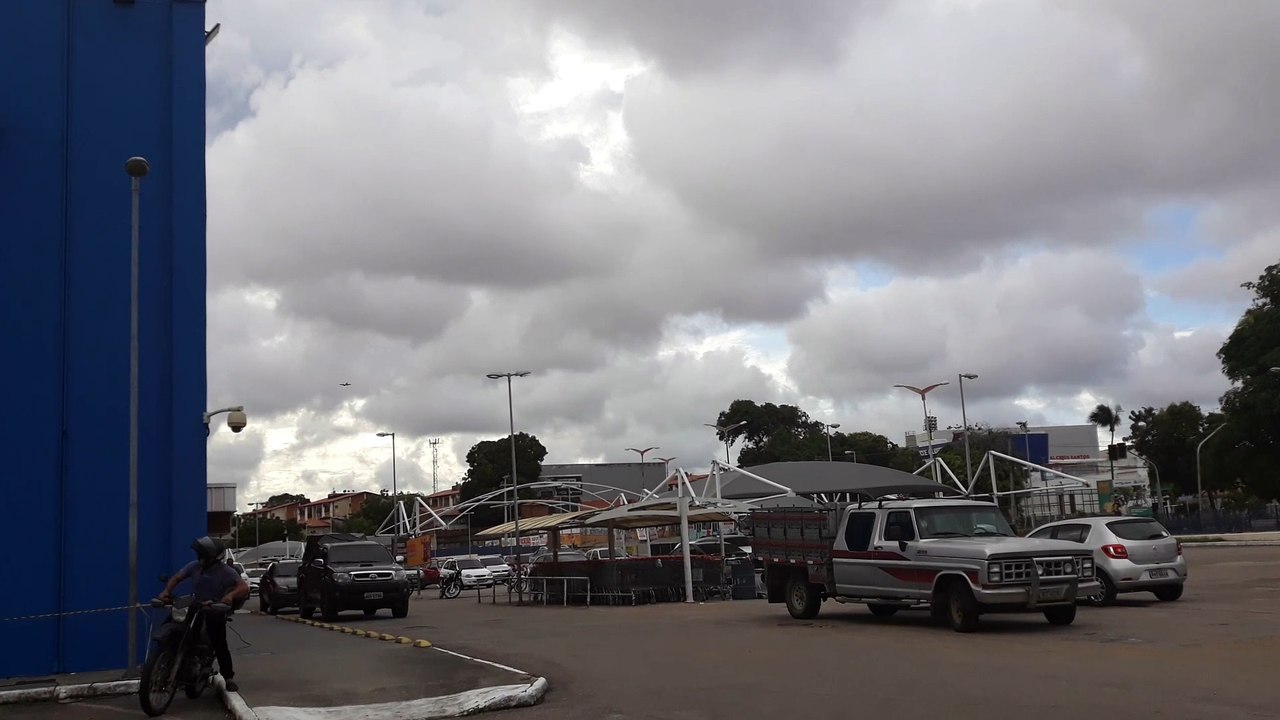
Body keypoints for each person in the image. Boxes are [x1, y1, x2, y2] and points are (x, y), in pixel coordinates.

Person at [159, 536, 250, 692]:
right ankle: (162, 664)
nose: (200, 558)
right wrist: (166, 591)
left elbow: (244, 588)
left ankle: (228, 677)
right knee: (172, 628)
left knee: (219, 643)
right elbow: (177, 577)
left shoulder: (226, 571)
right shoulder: (194, 566)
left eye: (203, 555)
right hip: (195, 605)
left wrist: (229, 596)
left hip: (214, 608)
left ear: (213, 557)